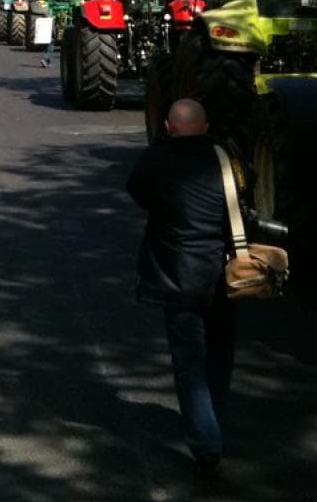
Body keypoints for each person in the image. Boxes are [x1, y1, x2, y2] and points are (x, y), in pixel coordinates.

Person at [125, 99, 237, 475]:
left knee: (188, 359)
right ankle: (212, 419)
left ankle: (206, 440)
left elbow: (137, 190)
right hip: (223, 273)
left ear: (170, 127)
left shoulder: (157, 159)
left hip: (178, 275)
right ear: (205, 127)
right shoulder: (225, 157)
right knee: (220, 353)